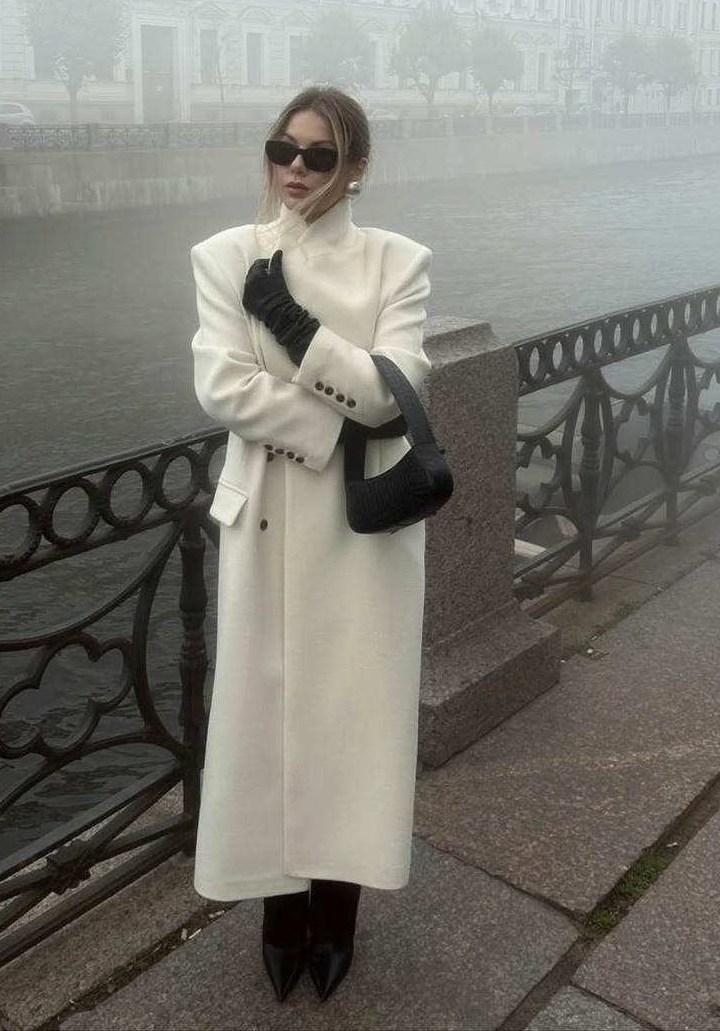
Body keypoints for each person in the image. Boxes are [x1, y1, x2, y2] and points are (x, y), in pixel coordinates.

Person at [189, 86, 433, 1002]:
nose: (295, 168)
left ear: (355, 168)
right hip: (265, 523)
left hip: (362, 531)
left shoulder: (398, 263)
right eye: (282, 148)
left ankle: (338, 914)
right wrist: (338, 426)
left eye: (319, 155)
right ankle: (277, 913)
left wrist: (293, 327)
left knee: (352, 720)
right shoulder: (226, 256)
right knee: (263, 720)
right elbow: (222, 386)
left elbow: (393, 395)